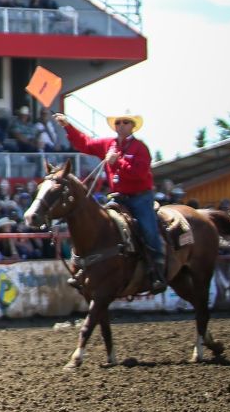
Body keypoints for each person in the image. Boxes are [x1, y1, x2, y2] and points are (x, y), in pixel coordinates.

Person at [54, 109, 163, 291]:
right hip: (118, 197)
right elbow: (85, 143)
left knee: (148, 229)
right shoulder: (108, 144)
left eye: (125, 122)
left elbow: (140, 173)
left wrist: (117, 162)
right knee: (99, 227)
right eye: (118, 122)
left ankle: (157, 269)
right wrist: (68, 126)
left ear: (133, 126)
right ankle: (86, 267)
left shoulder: (140, 148)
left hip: (140, 197)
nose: (121, 125)